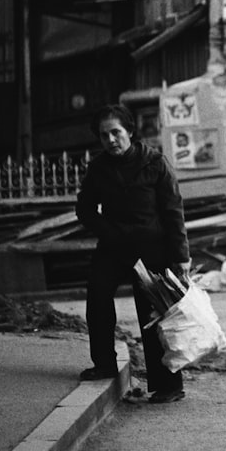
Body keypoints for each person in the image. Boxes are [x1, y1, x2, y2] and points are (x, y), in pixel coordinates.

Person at [75, 103, 191, 403]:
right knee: (98, 295)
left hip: (152, 250)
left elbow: (173, 212)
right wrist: (107, 231)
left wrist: (181, 258)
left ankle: (168, 385)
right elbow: (85, 208)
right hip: (114, 247)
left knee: (152, 314)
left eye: (116, 132)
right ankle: (104, 364)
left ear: (129, 132)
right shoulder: (99, 168)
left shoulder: (154, 162)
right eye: (104, 136)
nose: (111, 140)